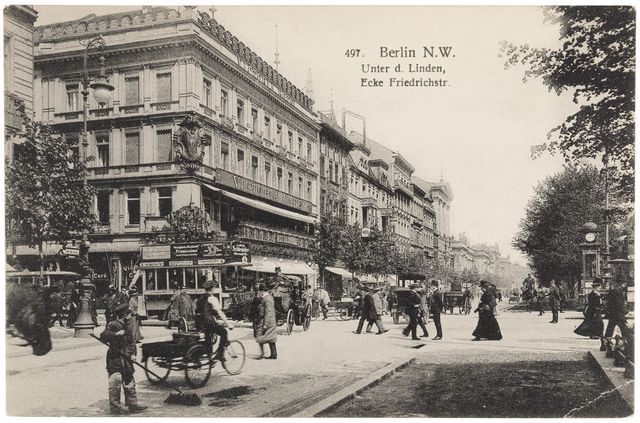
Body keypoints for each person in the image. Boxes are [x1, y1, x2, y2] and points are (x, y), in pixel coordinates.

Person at [99, 302, 147, 415]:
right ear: (124, 315)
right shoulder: (113, 324)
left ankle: (132, 404)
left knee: (129, 381)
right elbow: (103, 336)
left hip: (126, 358)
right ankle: (115, 407)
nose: (131, 316)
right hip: (115, 359)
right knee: (115, 383)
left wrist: (133, 354)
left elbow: (131, 342)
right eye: (129, 314)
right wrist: (115, 335)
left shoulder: (127, 326)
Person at [195, 280, 234, 361]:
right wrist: (228, 323)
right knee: (224, 332)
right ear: (212, 288)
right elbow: (220, 312)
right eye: (214, 287)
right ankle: (220, 354)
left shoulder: (200, 298)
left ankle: (208, 355)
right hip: (208, 322)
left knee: (208, 338)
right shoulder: (212, 298)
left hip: (200, 323)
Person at [256, 281, 277, 359]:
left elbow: (268, 311)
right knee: (271, 338)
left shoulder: (266, 298)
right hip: (271, 320)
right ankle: (273, 354)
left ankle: (262, 354)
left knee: (261, 337)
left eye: (259, 291)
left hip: (268, 320)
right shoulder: (269, 297)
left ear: (261, 291)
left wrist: (265, 324)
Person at [250, 282, 267, 358]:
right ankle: (262, 352)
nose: (257, 291)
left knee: (259, 335)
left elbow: (261, 308)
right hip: (256, 317)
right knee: (257, 335)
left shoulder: (260, 297)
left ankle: (262, 353)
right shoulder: (256, 297)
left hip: (259, 318)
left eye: (257, 290)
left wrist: (260, 316)